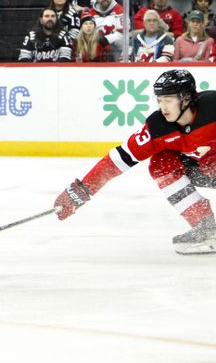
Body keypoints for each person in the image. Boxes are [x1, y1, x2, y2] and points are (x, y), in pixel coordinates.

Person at [53, 69, 216, 254]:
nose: (163, 107)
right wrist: (80, 191)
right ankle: (206, 226)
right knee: (161, 163)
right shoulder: (158, 126)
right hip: (204, 170)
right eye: (160, 100)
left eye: (168, 100)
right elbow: (118, 160)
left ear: (186, 98)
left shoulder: (212, 106)